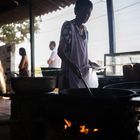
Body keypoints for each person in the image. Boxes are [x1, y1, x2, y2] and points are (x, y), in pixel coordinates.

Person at [58, 0, 99, 89]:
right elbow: (60, 52)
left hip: (83, 76)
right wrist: (72, 66)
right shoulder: (68, 26)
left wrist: (90, 62)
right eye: (83, 11)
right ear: (76, 11)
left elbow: (80, 55)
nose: (86, 15)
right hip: (68, 76)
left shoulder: (85, 31)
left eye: (89, 13)